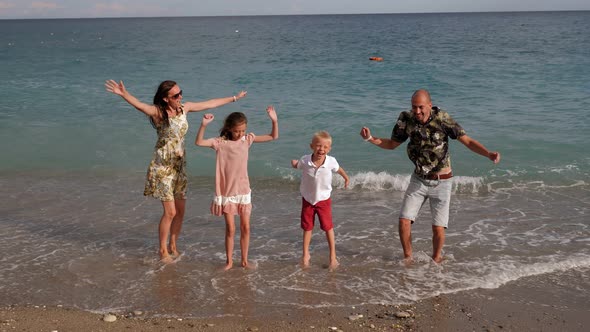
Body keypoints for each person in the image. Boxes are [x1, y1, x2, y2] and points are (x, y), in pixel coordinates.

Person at [105, 79, 246, 263]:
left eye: (181, 93)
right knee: (170, 212)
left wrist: (234, 98)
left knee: (180, 212)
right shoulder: (159, 113)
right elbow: (141, 106)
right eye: (176, 95)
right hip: (162, 168)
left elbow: (209, 103)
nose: (180, 97)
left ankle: (173, 245)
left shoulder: (184, 108)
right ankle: (162, 251)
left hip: (179, 167)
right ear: (165, 99)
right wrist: (124, 94)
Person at [359, 89, 500, 264]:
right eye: (413, 107)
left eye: (420, 107)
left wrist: (488, 154)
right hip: (418, 179)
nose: (417, 112)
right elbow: (392, 144)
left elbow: (468, 141)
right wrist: (370, 138)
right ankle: (408, 260)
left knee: (438, 229)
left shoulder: (442, 119)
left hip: (443, 181)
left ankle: (436, 261)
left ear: (429, 105)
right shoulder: (406, 119)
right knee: (404, 221)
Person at [195, 106, 279, 270]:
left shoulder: (247, 140)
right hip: (227, 192)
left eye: (243, 130)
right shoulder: (220, 143)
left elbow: (273, 136)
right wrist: (204, 125)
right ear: (229, 128)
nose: (240, 133)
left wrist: (274, 120)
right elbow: (198, 142)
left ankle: (244, 260)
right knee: (231, 229)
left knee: (246, 227)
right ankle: (229, 261)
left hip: (243, 190)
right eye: (237, 131)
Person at [291, 131, 350, 270]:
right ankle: (305, 255)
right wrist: (293, 163)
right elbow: (298, 165)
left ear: (329, 149)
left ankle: (333, 256)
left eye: (325, 147)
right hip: (308, 200)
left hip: (324, 200)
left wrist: (346, 178)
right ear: (312, 146)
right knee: (307, 228)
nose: (321, 149)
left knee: (328, 228)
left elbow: (339, 169)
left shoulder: (331, 161)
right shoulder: (305, 160)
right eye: (318, 146)